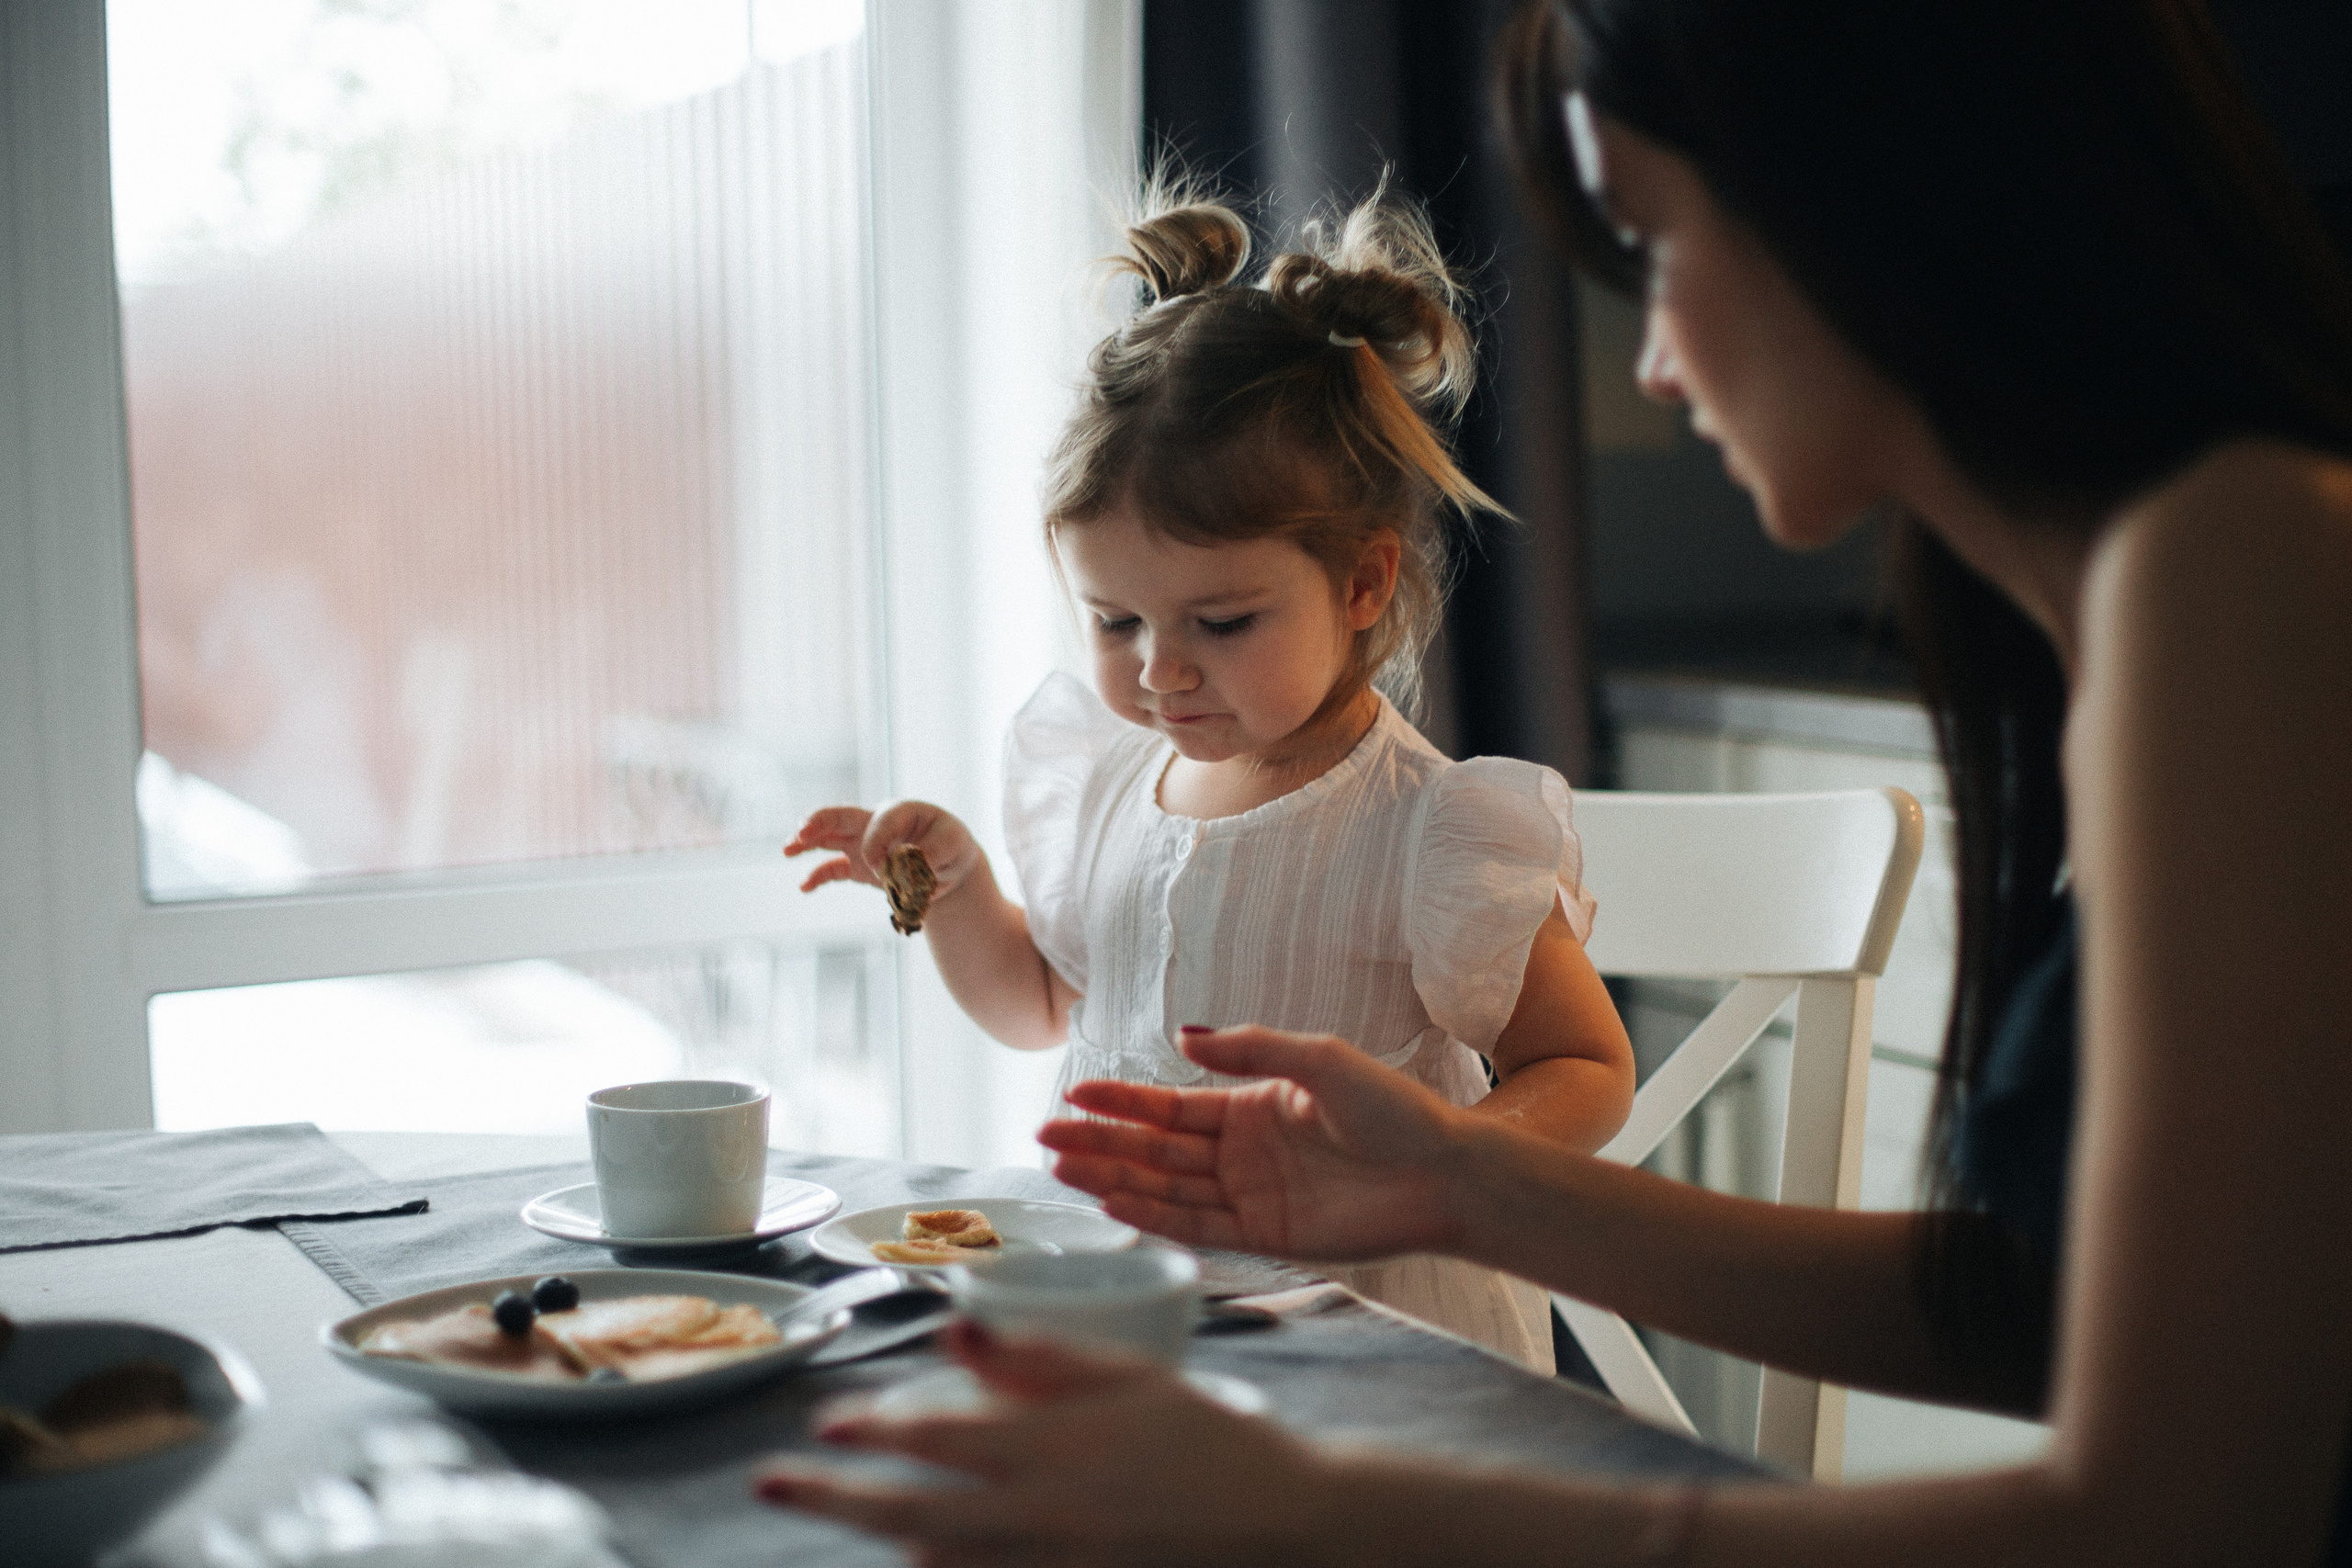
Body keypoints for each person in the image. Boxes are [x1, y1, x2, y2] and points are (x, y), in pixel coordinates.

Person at [756, 0, 2352, 1562]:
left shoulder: (2244, 570)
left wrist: (1328, 1514)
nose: (1652, 366)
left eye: (1654, 246)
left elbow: (2187, 1517)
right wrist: (1456, 1184)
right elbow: (2028, 1310)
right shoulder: (2180, 585)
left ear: (1862, 191)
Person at [782, 181, 1636, 1370]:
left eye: (1223, 622)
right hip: (1137, 1331)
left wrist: (1433, 1166)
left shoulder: (1427, 828)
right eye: (1116, 621)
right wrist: (963, 890)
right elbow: (1039, 1006)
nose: (1162, 672)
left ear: (1362, 586)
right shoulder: (1106, 783)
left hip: (1377, 1348)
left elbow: (1584, 1067)